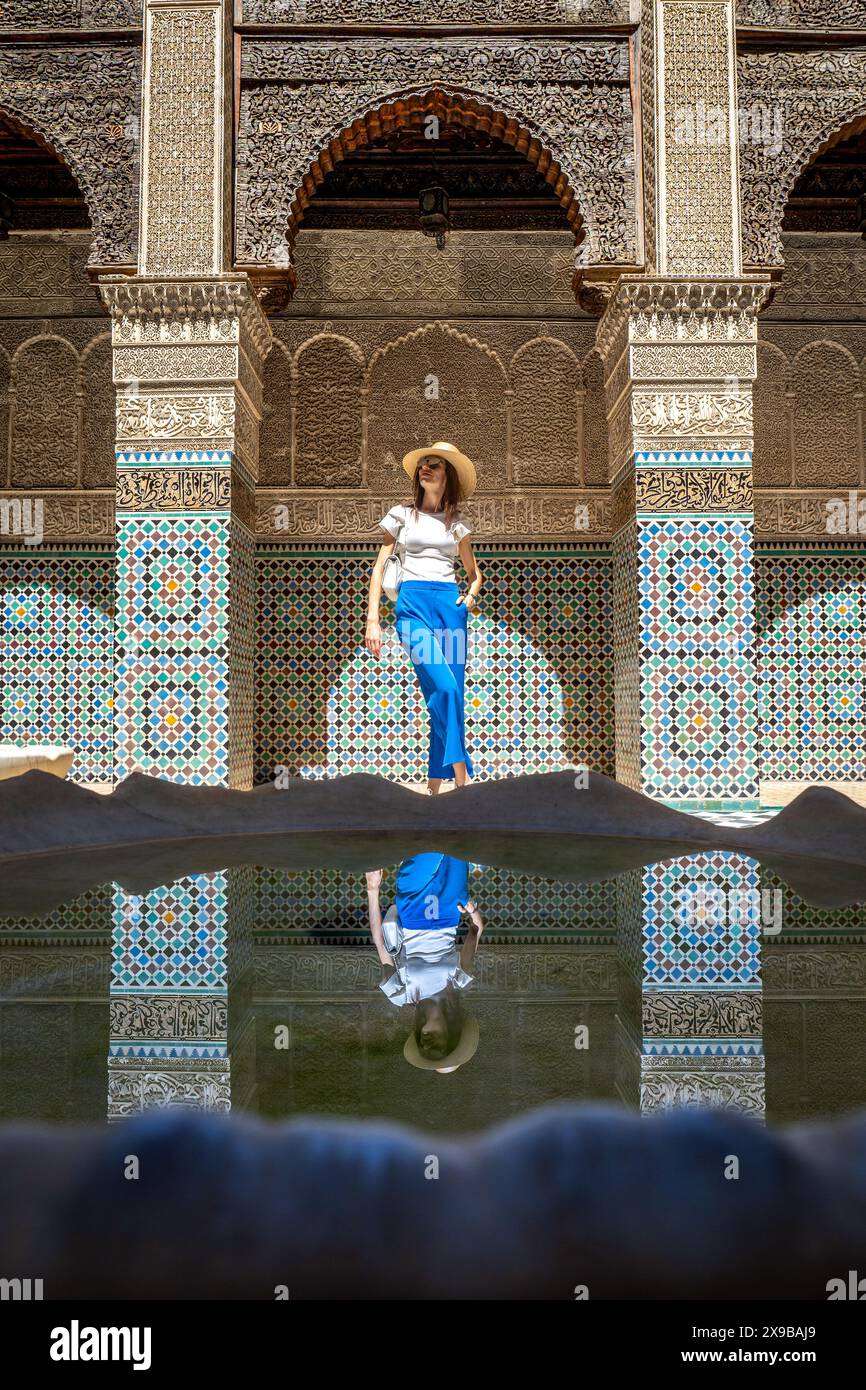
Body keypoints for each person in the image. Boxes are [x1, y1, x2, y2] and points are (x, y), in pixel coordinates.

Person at [365, 442, 482, 794]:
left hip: (450, 608)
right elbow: (380, 566)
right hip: (412, 607)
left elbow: (474, 573)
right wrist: (373, 619)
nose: (425, 469)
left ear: (449, 475)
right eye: (423, 465)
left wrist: (470, 599)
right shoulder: (401, 515)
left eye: (435, 465)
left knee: (449, 694)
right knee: (444, 688)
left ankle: (434, 784)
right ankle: (463, 780)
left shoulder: (458, 523)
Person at [365, 854, 485, 1073]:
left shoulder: (400, 995)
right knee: (458, 841)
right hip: (450, 909)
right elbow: (477, 931)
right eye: (438, 1045)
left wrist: (373, 890)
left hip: (413, 907)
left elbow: (380, 942)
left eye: (424, 1048)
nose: (427, 1043)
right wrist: (473, 912)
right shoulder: (458, 985)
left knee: (429, 843)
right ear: (451, 1033)